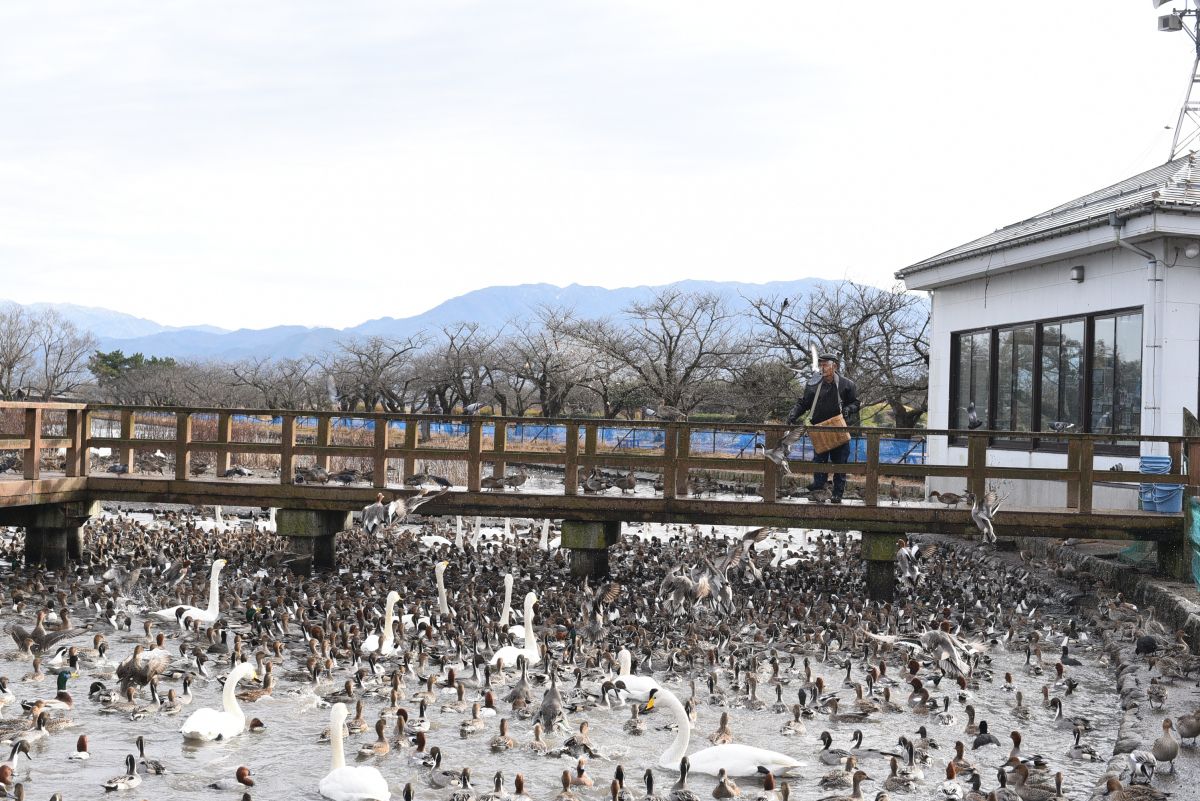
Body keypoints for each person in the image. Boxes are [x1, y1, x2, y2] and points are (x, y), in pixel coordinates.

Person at [785, 353, 859, 503]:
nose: (822, 367)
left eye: (825, 364)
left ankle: (837, 494)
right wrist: (793, 414)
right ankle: (819, 492)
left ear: (835, 366)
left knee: (840, 464)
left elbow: (856, 403)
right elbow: (803, 403)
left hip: (839, 429)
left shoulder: (847, 384)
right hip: (819, 430)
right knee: (819, 463)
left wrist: (848, 409)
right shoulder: (813, 384)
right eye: (820, 364)